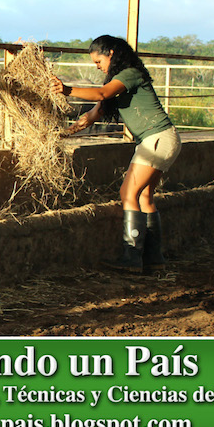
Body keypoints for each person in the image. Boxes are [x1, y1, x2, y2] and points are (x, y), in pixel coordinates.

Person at [50, 34, 181, 273]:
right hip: (162, 139)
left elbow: (101, 94)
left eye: (98, 62)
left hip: (156, 138)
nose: (98, 68)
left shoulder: (129, 74)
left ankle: (131, 258)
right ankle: (154, 260)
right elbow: (90, 116)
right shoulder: (119, 84)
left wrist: (67, 90)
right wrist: (61, 133)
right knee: (144, 197)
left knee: (127, 192)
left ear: (111, 53)